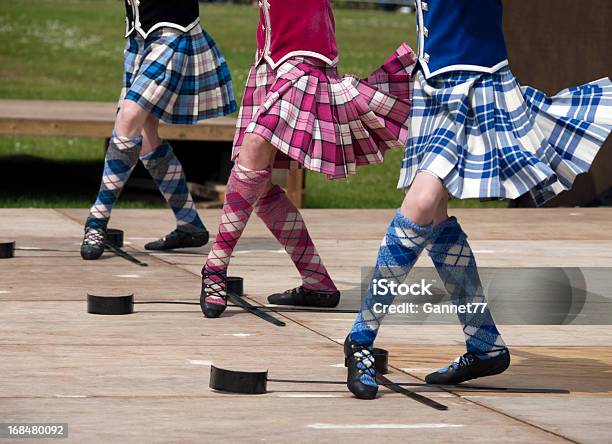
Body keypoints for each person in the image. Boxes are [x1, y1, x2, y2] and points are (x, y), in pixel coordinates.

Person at [345, 0, 612, 399]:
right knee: (432, 217)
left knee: (420, 205)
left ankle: (360, 339)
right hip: (434, 89)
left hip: (474, 87)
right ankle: (484, 342)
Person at [199, 0, 417, 318]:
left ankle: (215, 267)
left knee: (256, 147)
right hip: (271, 60)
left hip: (304, 62)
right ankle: (317, 283)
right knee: (254, 184)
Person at [80, 0, 236, 260]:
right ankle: (190, 225)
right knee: (146, 136)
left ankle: (97, 221)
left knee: (129, 118)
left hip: (172, 36)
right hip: (139, 38)